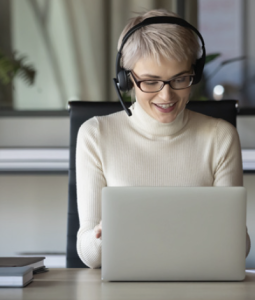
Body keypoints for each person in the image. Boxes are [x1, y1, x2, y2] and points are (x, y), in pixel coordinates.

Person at [76, 9, 251, 269]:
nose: (167, 96)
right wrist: (104, 237)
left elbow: (238, 249)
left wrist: (232, 236)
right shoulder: (96, 135)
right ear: (127, 81)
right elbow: (88, 255)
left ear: (194, 74)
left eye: (180, 79)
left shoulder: (220, 138)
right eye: (150, 82)